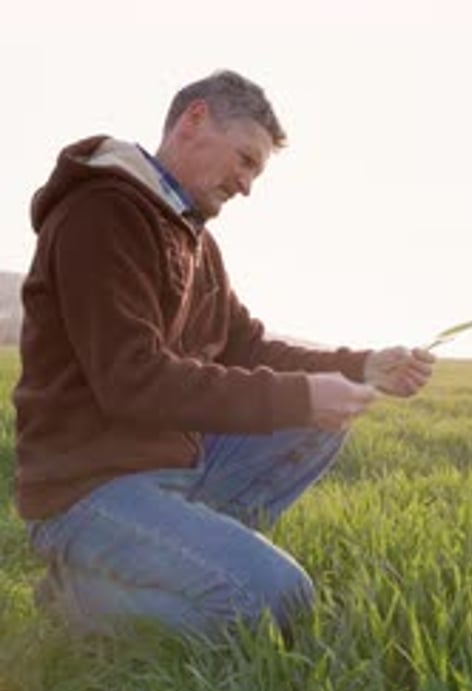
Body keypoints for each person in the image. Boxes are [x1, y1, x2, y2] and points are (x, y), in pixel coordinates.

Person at [14, 69, 434, 640]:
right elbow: (132, 381)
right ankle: (80, 600)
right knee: (279, 600)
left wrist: (362, 366)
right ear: (195, 120)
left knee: (319, 425)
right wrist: (302, 395)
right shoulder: (102, 213)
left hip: (169, 464)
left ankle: (183, 552)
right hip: (89, 486)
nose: (246, 185)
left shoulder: (193, 238)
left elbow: (246, 344)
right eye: (245, 160)